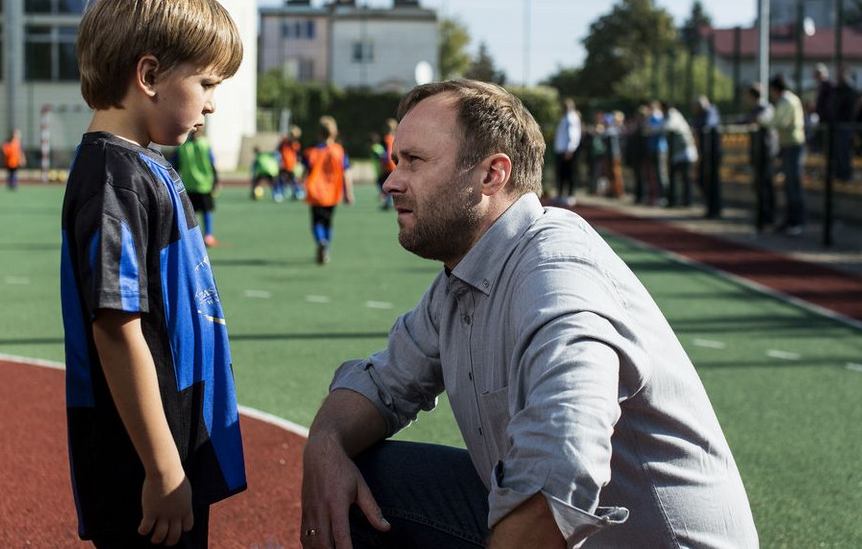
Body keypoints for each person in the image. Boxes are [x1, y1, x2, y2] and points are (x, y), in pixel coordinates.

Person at [300, 79, 758, 549]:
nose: (391, 181)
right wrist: (326, 445)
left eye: (414, 161)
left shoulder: (557, 273)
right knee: (369, 481)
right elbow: (383, 382)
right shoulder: (462, 278)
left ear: (492, 175)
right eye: (397, 161)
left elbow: (563, 459)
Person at [60, 0, 247, 548]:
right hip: (143, 460)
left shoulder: (141, 166)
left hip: (170, 445)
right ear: (149, 75)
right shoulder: (113, 178)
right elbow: (116, 327)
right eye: (209, 84)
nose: (213, 104)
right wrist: (164, 468)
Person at [303, 115, 354, 264]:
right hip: (332, 193)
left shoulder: (311, 152)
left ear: (318, 133)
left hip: (315, 193)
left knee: (316, 222)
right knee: (328, 222)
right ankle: (327, 248)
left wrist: (301, 185)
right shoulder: (339, 151)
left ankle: (321, 241)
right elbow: (346, 173)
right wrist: (349, 193)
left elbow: (305, 172)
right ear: (335, 133)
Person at [763, 75, 807, 236]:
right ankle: (790, 220)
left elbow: (779, 122)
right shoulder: (786, 100)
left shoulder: (788, 101)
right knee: (789, 184)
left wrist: (762, 121)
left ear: (775, 89)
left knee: (793, 184)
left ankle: (797, 221)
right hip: (787, 145)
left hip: (793, 145)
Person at [172, 127, 220, 246]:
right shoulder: (206, 144)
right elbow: (211, 163)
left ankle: (189, 237)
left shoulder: (182, 146)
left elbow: (175, 165)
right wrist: (216, 180)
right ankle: (208, 235)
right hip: (204, 184)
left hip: (188, 184)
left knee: (188, 213)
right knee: (206, 210)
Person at [744, 83, 777, 229]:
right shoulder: (754, 110)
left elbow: (762, 121)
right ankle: (762, 216)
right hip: (758, 152)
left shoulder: (766, 108)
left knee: (766, 185)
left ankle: (767, 217)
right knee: (759, 185)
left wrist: (754, 120)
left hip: (767, 152)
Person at [662, 102, 697, 208]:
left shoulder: (674, 116)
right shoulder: (670, 116)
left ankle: (687, 201)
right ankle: (674, 200)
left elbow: (667, 127)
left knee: (685, 178)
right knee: (675, 177)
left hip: (684, 152)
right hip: (677, 153)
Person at [693, 95, 722, 218]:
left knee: (712, 182)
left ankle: (714, 210)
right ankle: (711, 208)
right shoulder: (701, 114)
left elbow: (708, 124)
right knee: (703, 180)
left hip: (712, 154)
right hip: (705, 153)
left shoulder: (711, 111)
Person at [553, 98, 581, 202]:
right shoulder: (564, 118)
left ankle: (570, 195)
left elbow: (573, 134)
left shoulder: (572, 118)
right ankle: (560, 194)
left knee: (569, 173)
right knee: (561, 174)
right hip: (561, 150)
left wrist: (570, 149)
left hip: (568, 150)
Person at [275, 124, 303, 201]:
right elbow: (278, 151)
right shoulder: (283, 142)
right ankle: (278, 193)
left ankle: (298, 192)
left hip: (291, 165)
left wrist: (298, 163)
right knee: (280, 179)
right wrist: (278, 160)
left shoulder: (296, 144)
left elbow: (298, 155)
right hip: (283, 164)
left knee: (293, 179)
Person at [377, 118, 398, 210]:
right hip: (395, 164)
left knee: (383, 183)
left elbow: (383, 153)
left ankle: (388, 201)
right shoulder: (396, 138)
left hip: (387, 165)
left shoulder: (385, 139)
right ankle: (392, 202)